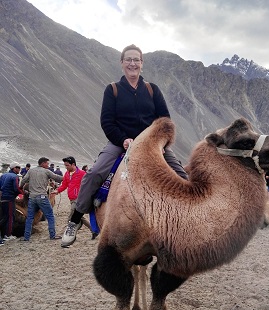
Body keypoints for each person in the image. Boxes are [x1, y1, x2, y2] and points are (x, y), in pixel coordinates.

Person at [61, 44, 187, 247]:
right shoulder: (113, 90)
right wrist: (123, 140)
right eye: (128, 59)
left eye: (136, 59)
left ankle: (189, 224)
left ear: (142, 63)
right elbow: (107, 122)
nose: (132, 63)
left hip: (152, 143)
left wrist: (161, 141)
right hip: (121, 143)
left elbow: (165, 120)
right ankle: (74, 220)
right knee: (93, 174)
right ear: (122, 63)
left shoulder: (152, 89)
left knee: (182, 176)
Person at [52, 156, 96, 240]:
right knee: (80, 217)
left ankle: (68, 230)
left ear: (73, 164)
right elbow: (64, 185)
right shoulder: (67, 174)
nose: (66, 167)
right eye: (65, 165)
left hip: (79, 198)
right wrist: (57, 191)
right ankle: (93, 230)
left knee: (72, 214)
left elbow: (88, 183)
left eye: (67, 165)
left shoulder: (82, 173)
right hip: (71, 198)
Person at [20, 157, 63, 241]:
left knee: (30, 217)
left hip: (32, 197)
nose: (48, 165)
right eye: (47, 163)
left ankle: (26, 237)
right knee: (50, 216)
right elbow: (57, 178)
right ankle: (52, 235)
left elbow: (24, 180)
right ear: (42, 163)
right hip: (42, 197)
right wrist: (69, 176)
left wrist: (21, 187)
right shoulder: (46, 171)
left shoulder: (31, 171)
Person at [0, 162, 23, 240]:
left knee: (4, 217)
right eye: (18, 168)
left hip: (2, 198)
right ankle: (8, 235)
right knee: (10, 217)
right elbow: (16, 188)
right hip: (10, 199)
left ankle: (2, 234)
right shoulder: (15, 177)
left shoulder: (3, 175)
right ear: (14, 168)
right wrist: (22, 193)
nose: (19, 170)